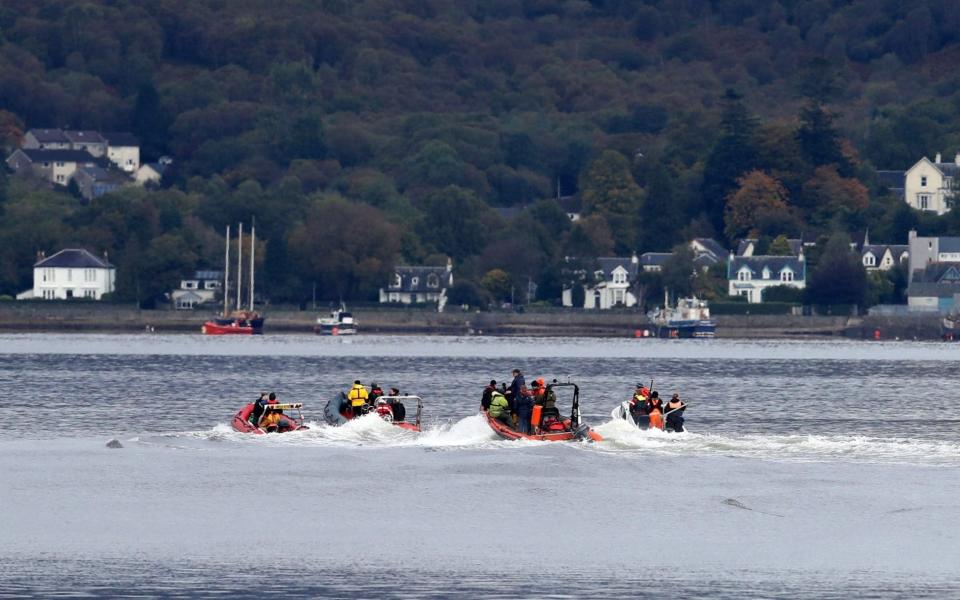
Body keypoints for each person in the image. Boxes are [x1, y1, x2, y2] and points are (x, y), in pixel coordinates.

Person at [510, 369, 533, 434]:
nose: (512, 374)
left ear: (516, 373)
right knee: (525, 421)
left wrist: (516, 397)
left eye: (513, 373)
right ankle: (525, 432)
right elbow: (531, 404)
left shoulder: (519, 379)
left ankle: (520, 431)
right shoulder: (520, 378)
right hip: (526, 410)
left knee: (522, 420)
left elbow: (518, 388)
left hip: (521, 409)